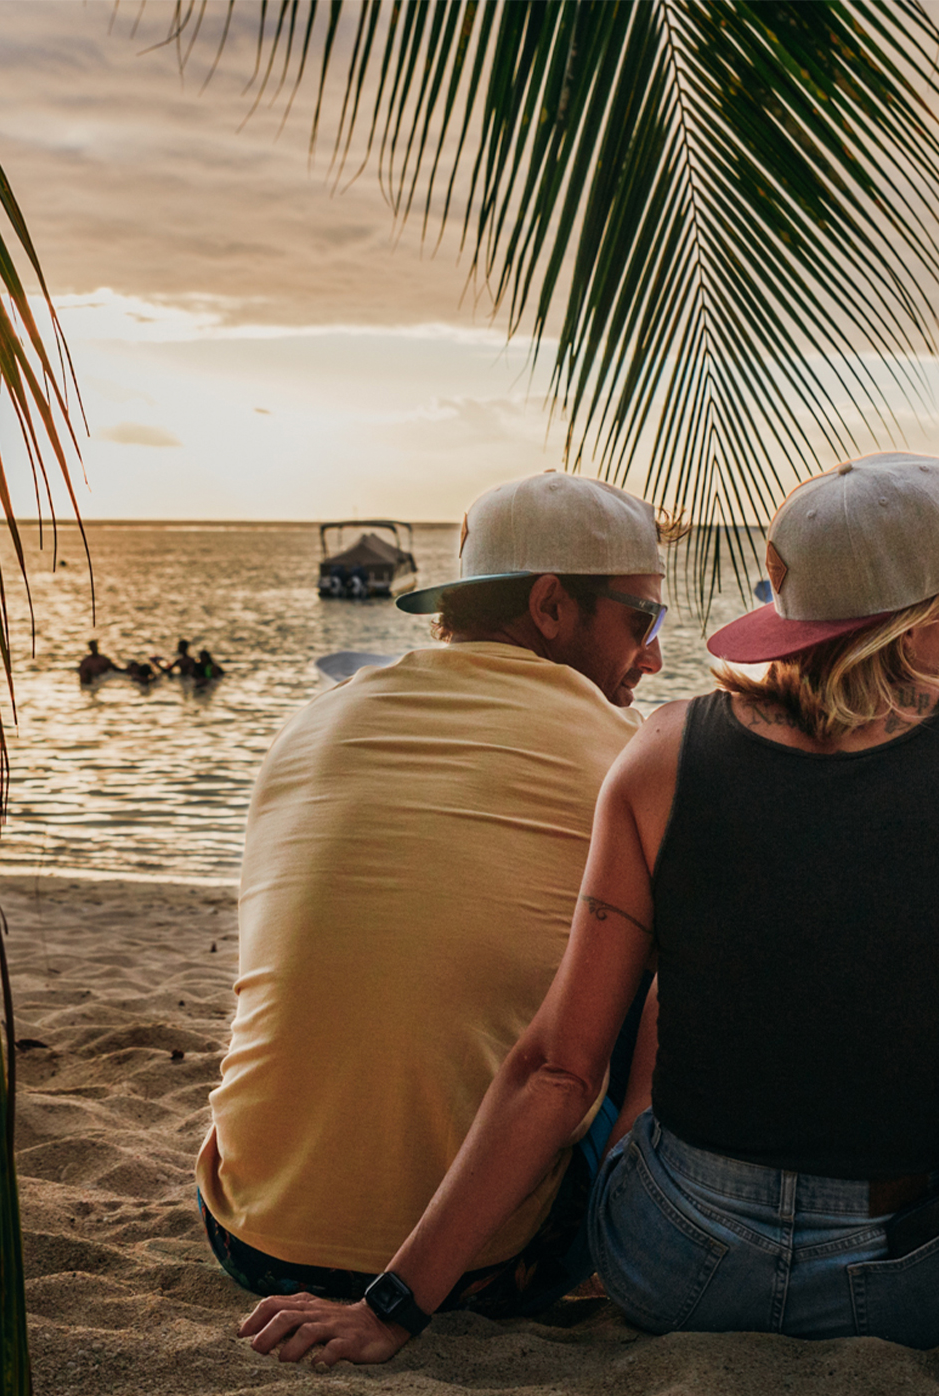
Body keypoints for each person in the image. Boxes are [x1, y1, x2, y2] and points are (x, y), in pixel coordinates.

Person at [239, 451, 939, 1396]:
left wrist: (390, 1308)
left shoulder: (658, 753)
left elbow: (558, 1068)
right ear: (914, 623)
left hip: (672, 1264)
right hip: (903, 1287)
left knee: (652, 975)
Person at [197, 470, 676, 1321]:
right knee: (678, 942)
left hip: (248, 1233)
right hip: (484, 1264)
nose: (657, 655)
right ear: (553, 607)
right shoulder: (627, 756)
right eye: (643, 618)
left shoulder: (313, 724)